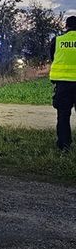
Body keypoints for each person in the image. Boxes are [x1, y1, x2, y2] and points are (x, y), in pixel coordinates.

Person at [49, 15, 76, 152]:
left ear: (66, 26)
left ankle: (64, 145)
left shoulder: (58, 40)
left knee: (63, 116)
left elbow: (53, 57)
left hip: (63, 84)